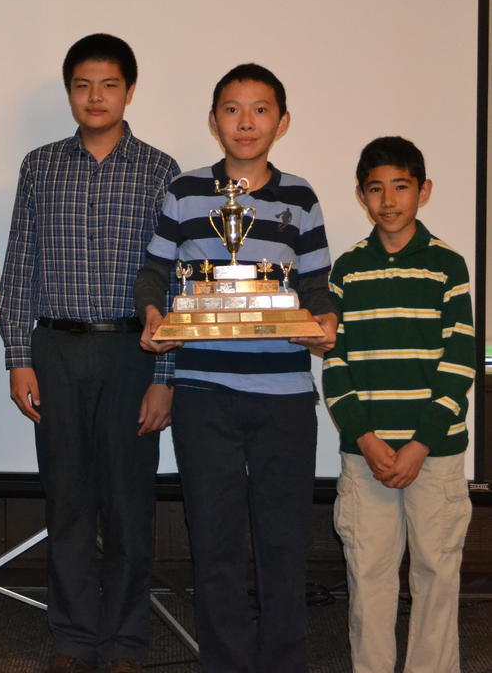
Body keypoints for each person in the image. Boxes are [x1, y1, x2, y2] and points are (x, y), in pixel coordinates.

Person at [135, 63, 337, 673]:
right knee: (215, 541)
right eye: (231, 108)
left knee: (282, 540)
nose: (245, 122)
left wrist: (324, 320)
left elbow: (317, 280)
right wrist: (152, 314)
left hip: (284, 397)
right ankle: (222, 662)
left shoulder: (298, 196)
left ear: (282, 121)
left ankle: (283, 662)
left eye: (259, 109)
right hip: (205, 392)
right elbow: (155, 270)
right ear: (213, 120)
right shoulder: (185, 191)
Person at [0, 34, 178, 673]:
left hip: (134, 350)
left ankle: (126, 642)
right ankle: (73, 639)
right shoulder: (39, 165)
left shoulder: (161, 170)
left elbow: (178, 282)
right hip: (56, 350)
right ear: (69, 91)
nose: (94, 97)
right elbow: (19, 267)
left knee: (130, 504)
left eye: (108, 85)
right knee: (68, 501)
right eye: (82, 85)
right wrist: (19, 356)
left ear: (130, 90)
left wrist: (166, 375)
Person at [323, 136, 475, 673]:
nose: (389, 200)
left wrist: (419, 443)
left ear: (423, 191)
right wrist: (365, 438)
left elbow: (460, 362)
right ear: (362, 196)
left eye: (401, 187)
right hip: (366, 456)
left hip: (433, 454)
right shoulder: (346, 270)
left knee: (436, 573)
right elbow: (334, 364)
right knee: (368, 575)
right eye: (376, 189)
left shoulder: (447, 267)